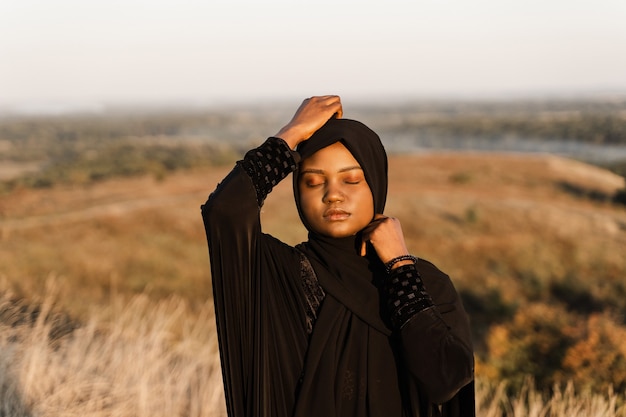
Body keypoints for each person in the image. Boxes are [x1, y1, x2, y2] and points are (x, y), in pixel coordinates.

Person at [201, 95, 475, 417]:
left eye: (351, 180)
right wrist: (292, 132)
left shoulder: (424, 283)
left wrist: (400, 268)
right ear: (298, 193)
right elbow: (224, 212)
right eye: (314, 181)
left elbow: (445, 379)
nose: (333, 194)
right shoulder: (282, 273)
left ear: (376, 183)